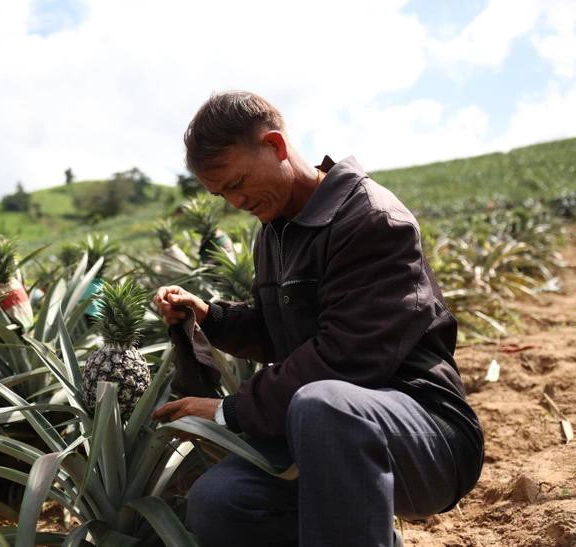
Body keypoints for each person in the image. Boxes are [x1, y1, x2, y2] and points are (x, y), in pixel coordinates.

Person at [151, 91, 484, 547]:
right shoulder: (275, 233)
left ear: (275, 145)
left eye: (238, 182)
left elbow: (345, 358)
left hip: (426, 436)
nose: (235, 201)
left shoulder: (371, 219)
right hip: (324, 433)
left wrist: (229, 410)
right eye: (221, 193)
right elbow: (279, 328)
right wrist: (212, 318)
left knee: (323, 404)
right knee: (219, 501)